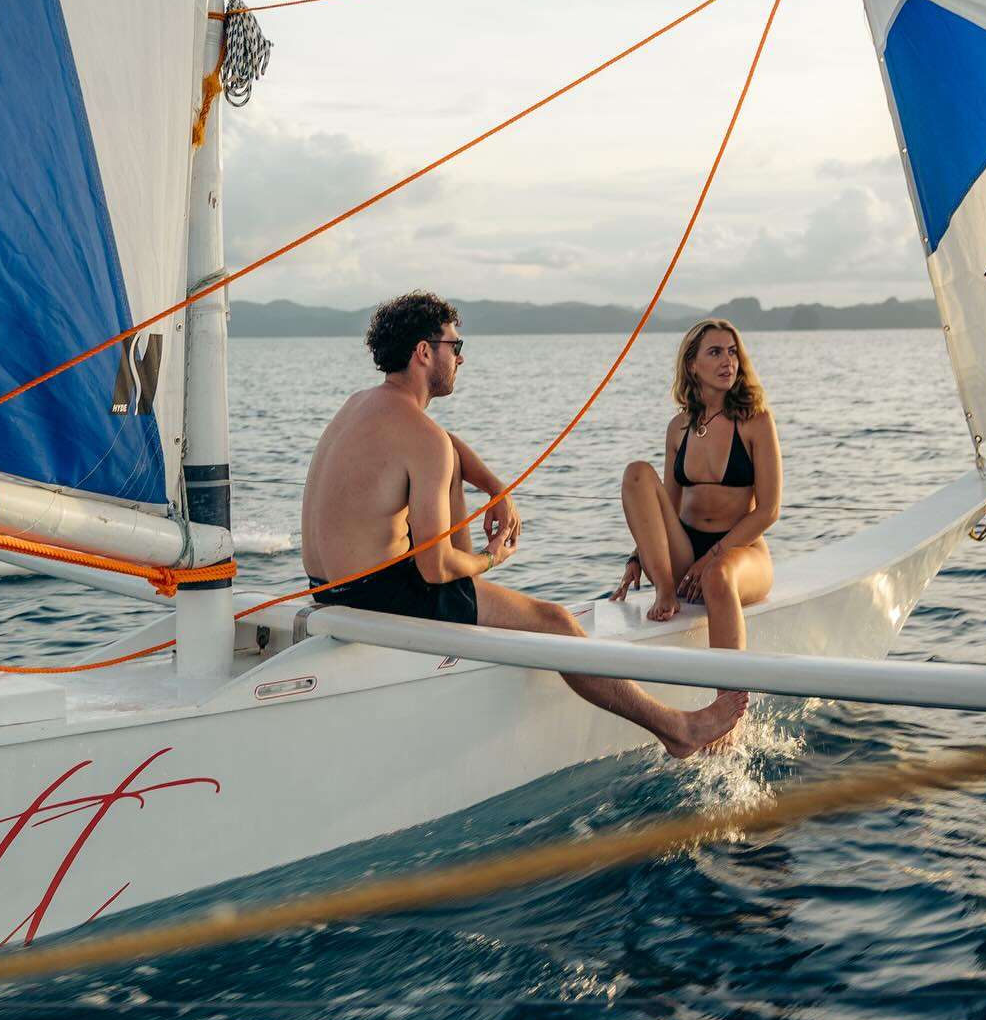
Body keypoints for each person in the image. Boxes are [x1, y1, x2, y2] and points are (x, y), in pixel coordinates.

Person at [300, 290, 748, 759]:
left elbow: (445, 446)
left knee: (449, 483)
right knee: (556, 622)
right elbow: (433, 569)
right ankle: (675, 728)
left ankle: (475, 595)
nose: (462, 357)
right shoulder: (422, 437)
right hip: (385, 594)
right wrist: (492, 558)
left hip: (327, 589)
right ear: (425, 352)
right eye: (456, 345)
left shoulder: (362, 406)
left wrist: (494, 486)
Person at [610, 318, 780, 651]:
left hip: (740, 550)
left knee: (717, 576)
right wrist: (637, 557)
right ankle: (665, 591)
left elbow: (769, 510)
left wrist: (714, 556)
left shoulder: (756, 421)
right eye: (715, 352)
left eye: (732, 352)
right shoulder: (678, 428)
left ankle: (731, 696)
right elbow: (666, 508)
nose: (727, 361)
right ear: (692, 364)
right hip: (685, 551)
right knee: (636, 473)